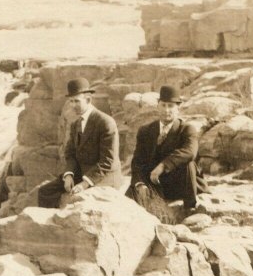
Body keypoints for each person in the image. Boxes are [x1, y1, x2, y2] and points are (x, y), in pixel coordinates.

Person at [37, 78, 122, 208]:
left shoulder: (105, 122)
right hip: (81, 173)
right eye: (71, 101)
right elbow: (70, 153)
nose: (72, 105)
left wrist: (84, 184)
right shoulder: (75, 123)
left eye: (77, 101)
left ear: (88, 100)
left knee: (81, 202)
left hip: (104, 177)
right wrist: (69, 175)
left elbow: (107, 161)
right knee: (44, 192)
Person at [128, 85, 207, 213]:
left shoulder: (187, 129)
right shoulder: (145, 131)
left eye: (171, 106)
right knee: (128, 205)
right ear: (157, 106)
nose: (166, 110)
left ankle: (190, 208)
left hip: (180, 184)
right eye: (163, 105)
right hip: (154, 183)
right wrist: (140, 183)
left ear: (178, 108)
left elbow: (190, 152)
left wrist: (163, 166)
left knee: (188, 163)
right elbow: (137, 161)